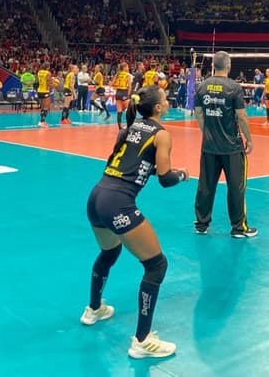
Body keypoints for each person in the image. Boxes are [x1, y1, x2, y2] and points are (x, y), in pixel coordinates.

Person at [82, 86, 189, 359]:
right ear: (158, 108)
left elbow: (129, 164)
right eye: (165, 100)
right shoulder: (162, 134)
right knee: (156, 265)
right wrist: (182, 175)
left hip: (96, 196)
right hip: (118, 202)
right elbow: (165, 178)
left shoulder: (127, 129)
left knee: (110, 251)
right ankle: (142, 340)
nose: (168, 102)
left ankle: (94, 309)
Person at [193, 51, 257, 238]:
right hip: (231, 147)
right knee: (236, 187)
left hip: (209, 147)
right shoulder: (234, 87)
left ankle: (201, 224)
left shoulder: (202, 86)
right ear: (228, 66)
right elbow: (242, 117)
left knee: (205, 186)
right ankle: (238, 228)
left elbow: (198, 113)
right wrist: (249, 139)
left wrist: (207, 133)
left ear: (214, 65)